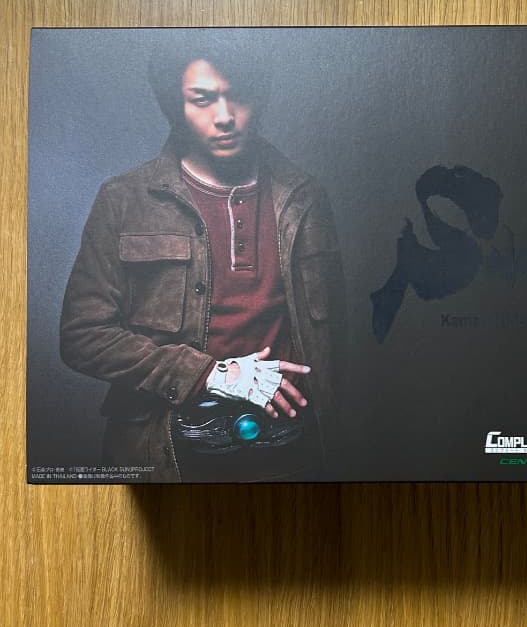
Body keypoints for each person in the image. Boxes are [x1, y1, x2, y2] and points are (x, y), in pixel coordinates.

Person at [60, 34, 346, 482]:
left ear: (260, 96)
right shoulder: (124, 199)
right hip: (166, 456)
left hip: (295, 454)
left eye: (239, 96)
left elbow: (334, 337)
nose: (225, 116)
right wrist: (210, 374)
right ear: (176, 104)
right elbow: (82, 337)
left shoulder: (304, 196)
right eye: (203, 99)